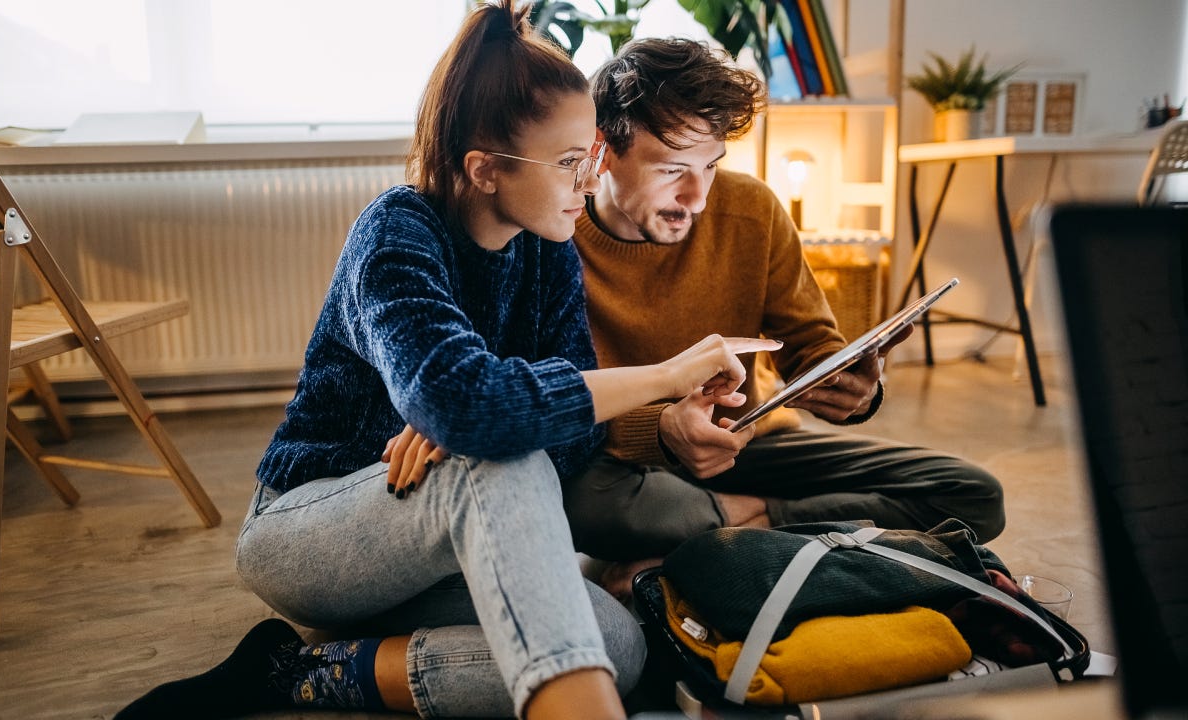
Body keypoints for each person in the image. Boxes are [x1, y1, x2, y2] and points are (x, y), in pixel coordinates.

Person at [116, 7, 775, 720]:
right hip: (308, 529)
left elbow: (573, 440)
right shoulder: (396, 232)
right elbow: (468, 407)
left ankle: (301, 671)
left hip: (443, 534)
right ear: (484, 169)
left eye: (590, 158)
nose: (588, 182)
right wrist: (663, 378)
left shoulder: (550, 254)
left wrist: (476, 415)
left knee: (618, 649)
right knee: (500, 454)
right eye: (568, 163)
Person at [562, 38, 1006, 593]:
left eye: (711, 166)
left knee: (973, 493)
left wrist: (849, 384)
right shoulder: (555, 233)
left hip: (747, 444)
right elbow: (553, 402)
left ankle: (745, 526)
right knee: (574, 498)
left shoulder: (751, 210)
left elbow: (810, 342)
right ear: (602, 151)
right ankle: (776, 538)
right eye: (673, 169)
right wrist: (662, 428)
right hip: (621, 459)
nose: (697, 197)